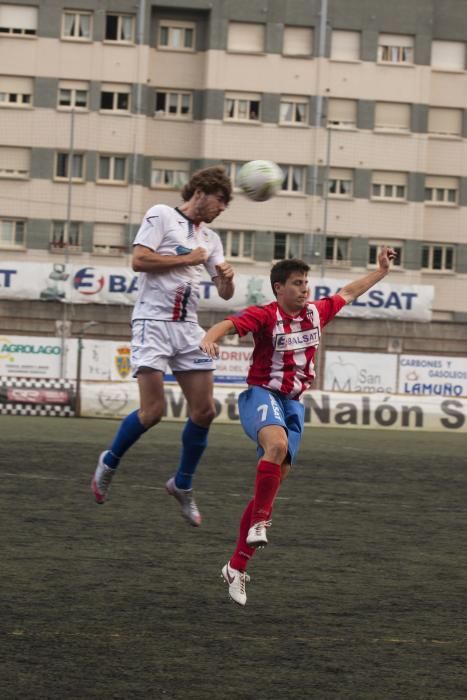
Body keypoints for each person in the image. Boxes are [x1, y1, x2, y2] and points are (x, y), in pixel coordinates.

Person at [200, 246, 397, 605]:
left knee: (271, 485)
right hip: (261, 396)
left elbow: (350, 291)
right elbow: (229, 323)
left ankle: (237, 567)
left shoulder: (317, 313)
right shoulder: (264, 315)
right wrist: (211, 338)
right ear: (279, 288)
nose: (305, 289)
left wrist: (381, 272)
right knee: (275, 448)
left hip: (293, 404)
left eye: (306, 283)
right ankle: (260, 523)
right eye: (297, 283)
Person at [91, 166, 235, 526]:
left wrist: (228, 281)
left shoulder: (212, 238)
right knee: (152, 412)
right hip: (152, 323)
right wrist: (187, 258)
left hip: (187, 328)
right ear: (200, 192)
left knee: (205, 412)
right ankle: (109, 462)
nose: (221, 209)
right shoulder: (161, 215)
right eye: (220, 202)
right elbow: (139, 260)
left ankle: (182, 484)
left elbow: (224, 291)